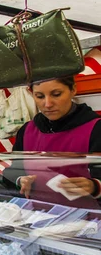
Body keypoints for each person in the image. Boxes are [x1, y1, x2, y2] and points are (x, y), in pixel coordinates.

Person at [6, 76, 101, 208]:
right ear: (31, 93)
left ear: (73, 89)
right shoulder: (27, 130)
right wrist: (20, 179)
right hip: (38, 216)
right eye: (39, 96)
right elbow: (12, 170)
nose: (48, 104)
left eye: (56, 94)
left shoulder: (96, 129)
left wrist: (95, 186)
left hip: (88, 220)